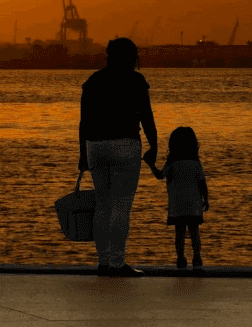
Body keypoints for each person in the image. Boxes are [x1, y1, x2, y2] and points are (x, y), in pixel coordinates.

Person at [79, 37, 157, 276]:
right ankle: (117, 263)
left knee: (102, 206)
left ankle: (104, 262)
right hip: (125, 144)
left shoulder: (92, 82)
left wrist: (83, 154)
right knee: (121, 206)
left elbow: (84, 123)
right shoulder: (135, 80)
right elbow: (146, 116)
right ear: (131, 57)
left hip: (95, 146)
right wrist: (154, 146)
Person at [147, 126, 209, 270]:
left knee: (179, 233)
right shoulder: (195, 163)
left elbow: (160, 175)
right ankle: (197, 257)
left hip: (177, 204)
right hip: (194, 203)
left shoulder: (172, 163)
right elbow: (202, 183)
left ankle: (180, 258)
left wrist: (151, 165)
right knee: (194, 232)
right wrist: (206, 200)